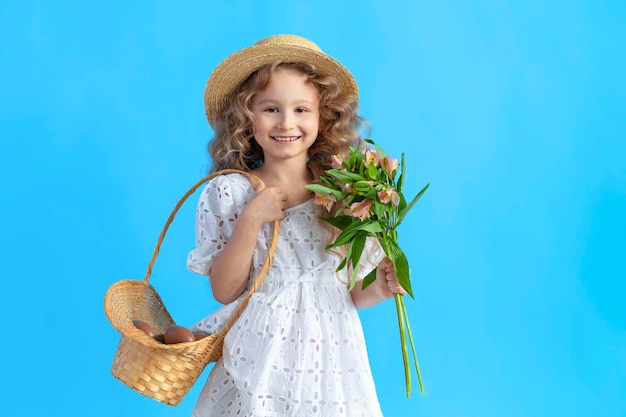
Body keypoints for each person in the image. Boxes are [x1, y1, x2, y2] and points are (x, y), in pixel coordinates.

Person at [187, 34, 406, 417]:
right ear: (246, 118)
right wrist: (251, 219)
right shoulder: (230, 191)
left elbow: (349, 293)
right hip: (261, 353)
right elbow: (224, 291)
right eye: (270, 109)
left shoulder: (345, 192)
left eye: (302, 109)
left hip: (332, 358)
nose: (287, 122)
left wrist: (381, 286)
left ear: (323, 116)